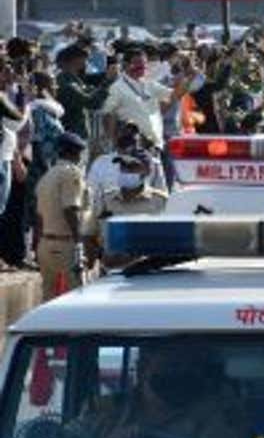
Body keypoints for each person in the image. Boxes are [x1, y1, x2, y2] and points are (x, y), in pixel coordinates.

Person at [69, 344, 246, 438]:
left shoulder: (216, 414)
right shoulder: (104, 411)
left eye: (189, 368)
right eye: (172, 366)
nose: (180, 375)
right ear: (143, 368)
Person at [85, 149, 168, 271]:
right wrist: (99, 256)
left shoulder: (161, 202)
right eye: (123, 166)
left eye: (133, 167)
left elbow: (168, 243)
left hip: (148, 274)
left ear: (146, 171)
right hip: (109, 273)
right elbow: (88, 235)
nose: (126, 171)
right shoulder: (105, 200)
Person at [36, 130, 89, 300]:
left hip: (45, 244)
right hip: (66, 244)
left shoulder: (46, 176)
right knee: (79, 298)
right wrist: (79, 242)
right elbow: (70, 209)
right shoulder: (71, 173)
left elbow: (38, 217)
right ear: (73, 152)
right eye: (79, 152)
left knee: (48, 299)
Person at [99, 47, 189, 148]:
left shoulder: (149, 84)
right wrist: (112, 142)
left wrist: (184, 79)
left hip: (153, 143)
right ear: (125, 65)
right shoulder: (117, 87)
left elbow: (174, 95)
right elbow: (107, 115)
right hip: (129, 146)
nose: (142, 66)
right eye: (137, 62)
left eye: (144, 63)